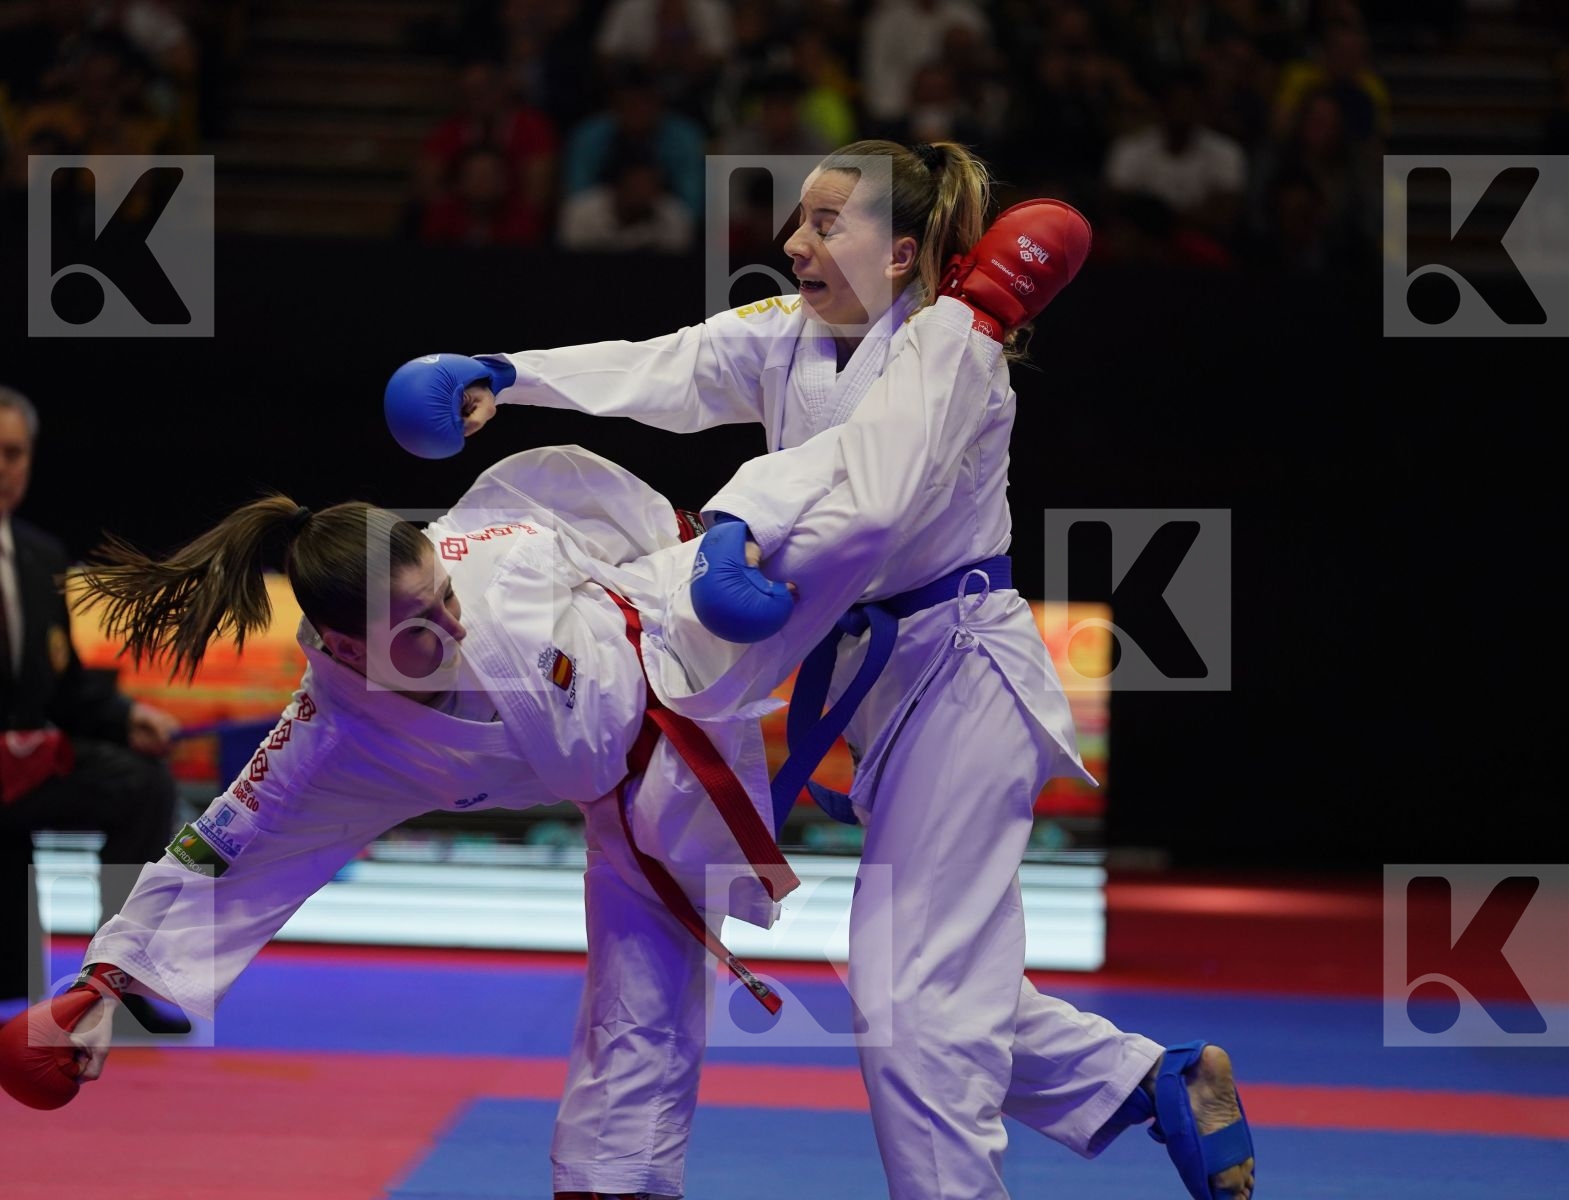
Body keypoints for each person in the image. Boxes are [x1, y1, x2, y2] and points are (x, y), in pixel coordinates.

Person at [0, 286, 1025, 1200]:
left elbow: (571, 488)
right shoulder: (331, 738)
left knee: (837, 518)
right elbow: (228, 849)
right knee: (640, 998)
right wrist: (103, 987)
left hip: (668, 632)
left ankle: (972, 312)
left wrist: (701, 538)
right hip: (630, 781)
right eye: (410, 629)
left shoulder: (491, 556)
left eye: (438, 598)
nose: (445, 624)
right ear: (341, 644)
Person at [441, 141, 1256, 1199]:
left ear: (903, 251)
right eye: (797, 222)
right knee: (926, 983)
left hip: (960, 676)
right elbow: (663, 363)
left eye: (828, 224)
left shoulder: (952, 349)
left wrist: (735, 532)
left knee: (912, 997)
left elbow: (871, 508)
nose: (794, 243)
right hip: (882, 686)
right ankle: (1149, 1082)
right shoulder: (785, 336)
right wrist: (511, 376)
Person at [0, 384, 186, 1037]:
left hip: (21, 768)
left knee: (141, 785)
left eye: (14, 453)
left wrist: (126, 716)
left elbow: (66, 686)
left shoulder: (39, 556)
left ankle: (116, 979)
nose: (4, 468)